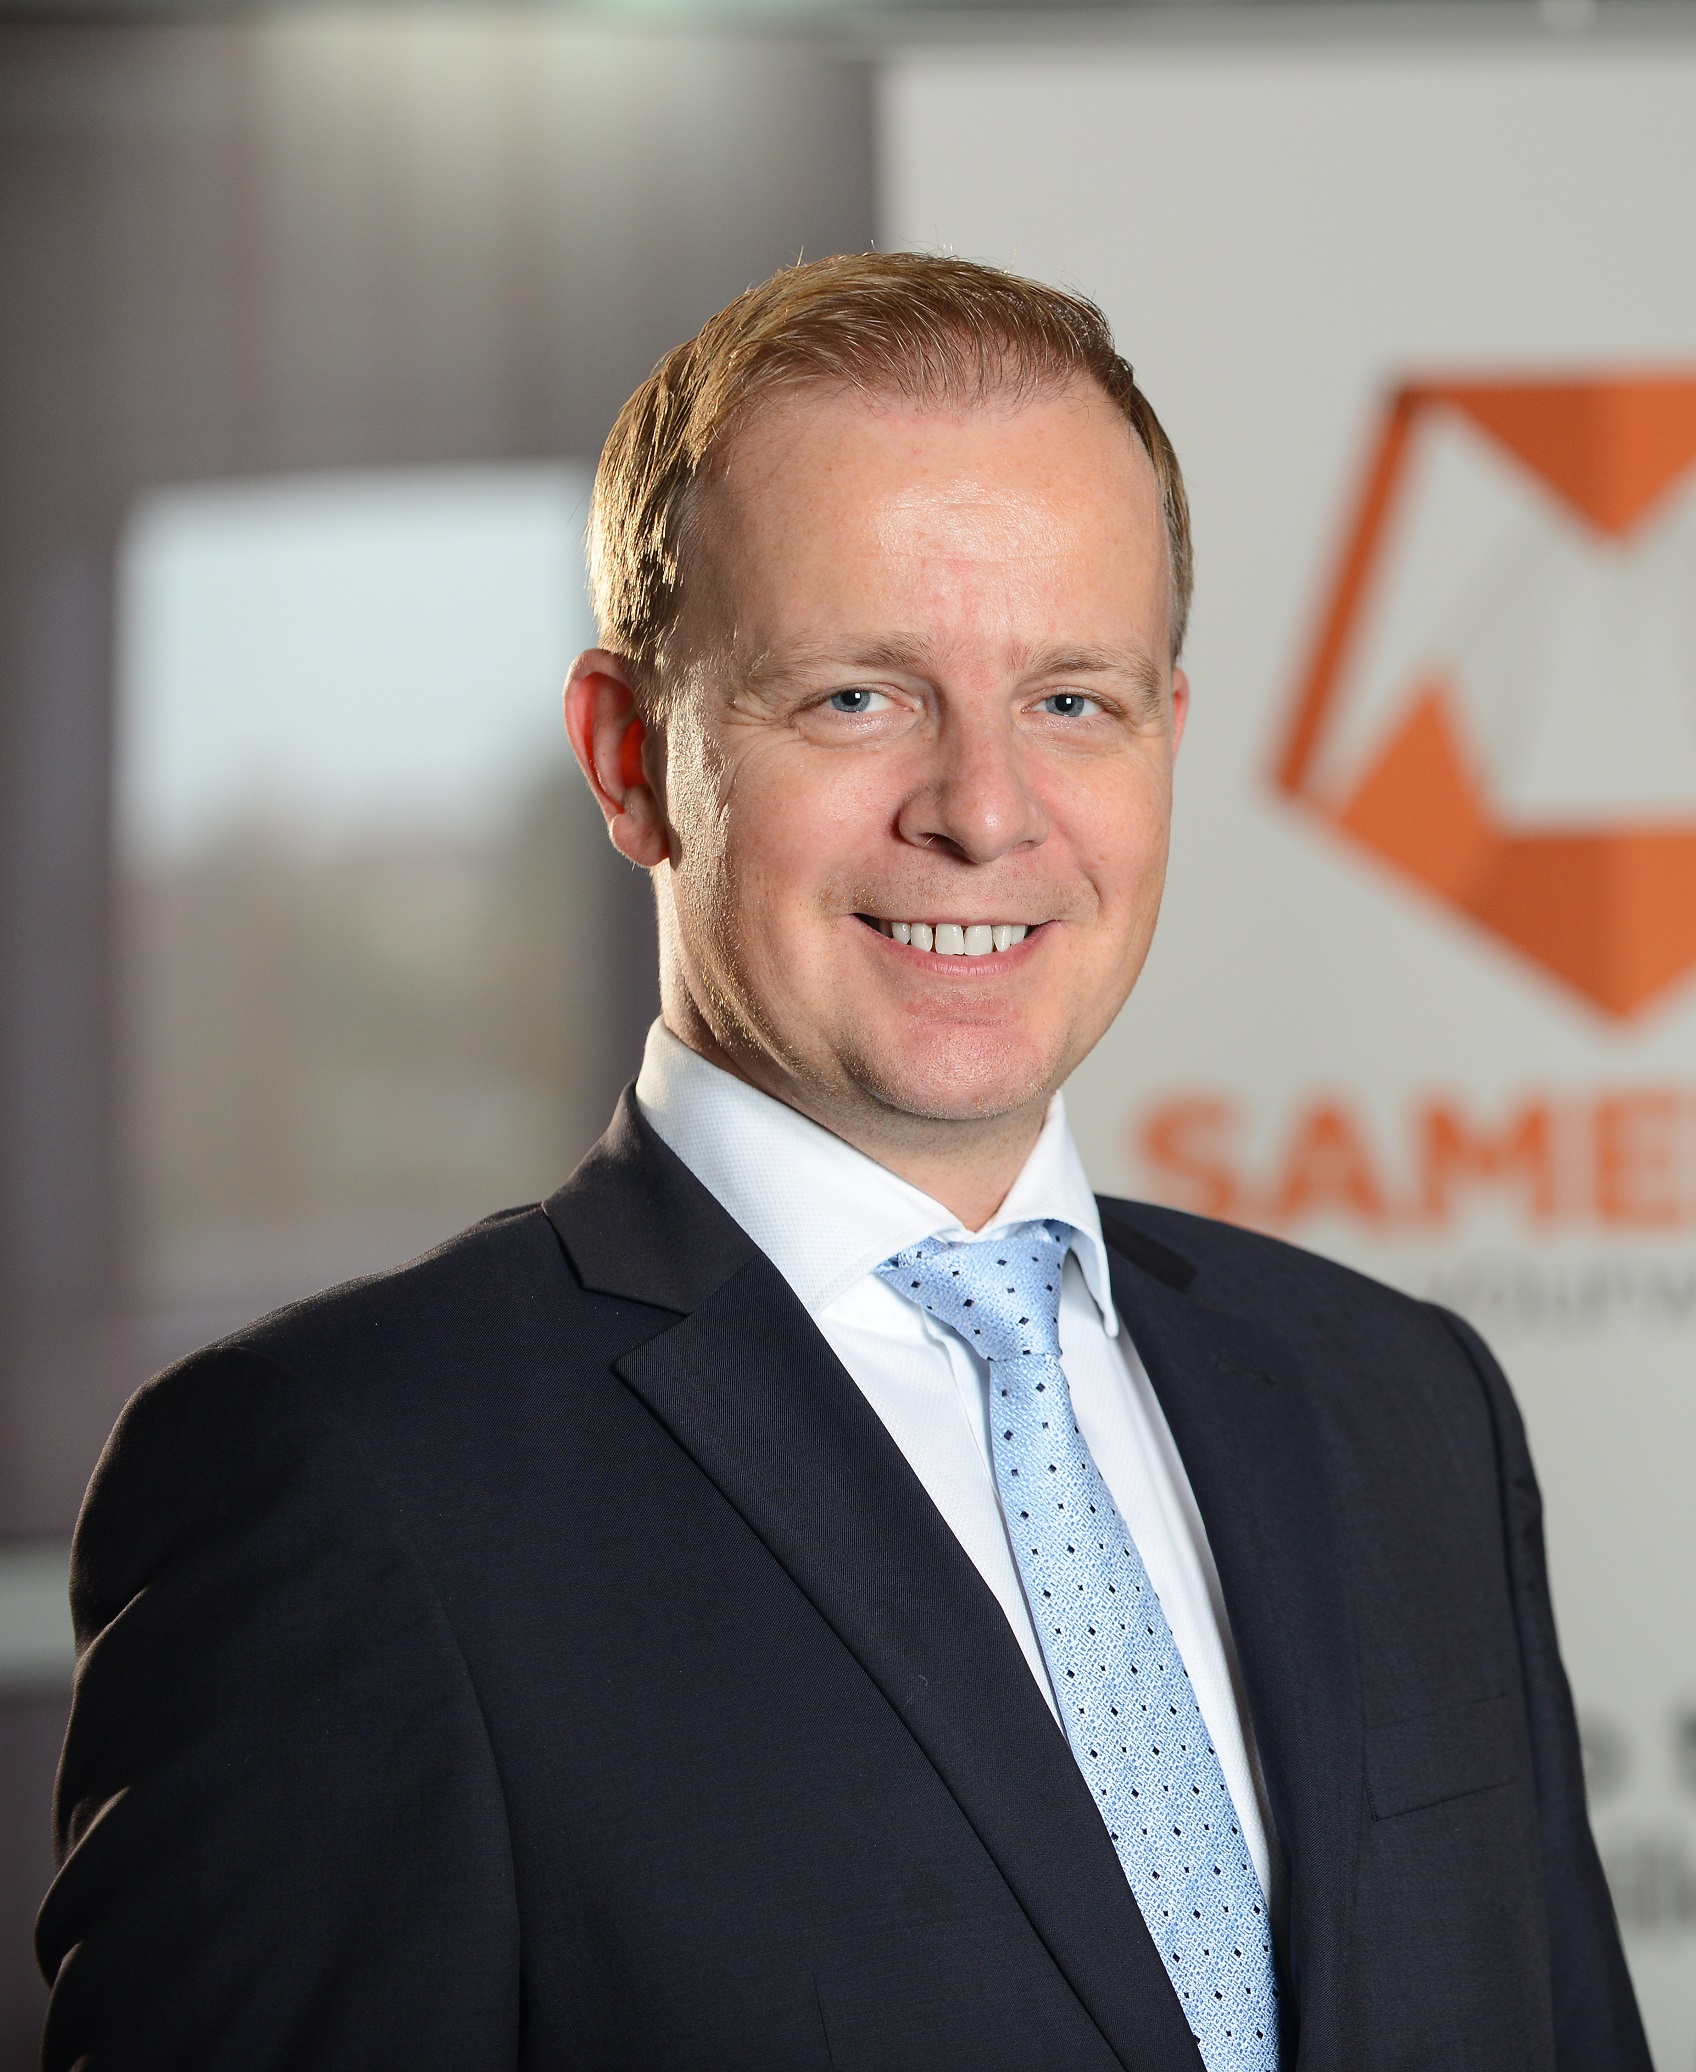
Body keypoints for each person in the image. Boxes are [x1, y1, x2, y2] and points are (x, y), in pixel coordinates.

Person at [38, 253, 1647, 2072]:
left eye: (1072, 701)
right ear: (630, 758)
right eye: (858, 698)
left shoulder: (1404, 1404)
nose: (983, 811)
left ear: (1168, 741)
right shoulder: (347, 1483)